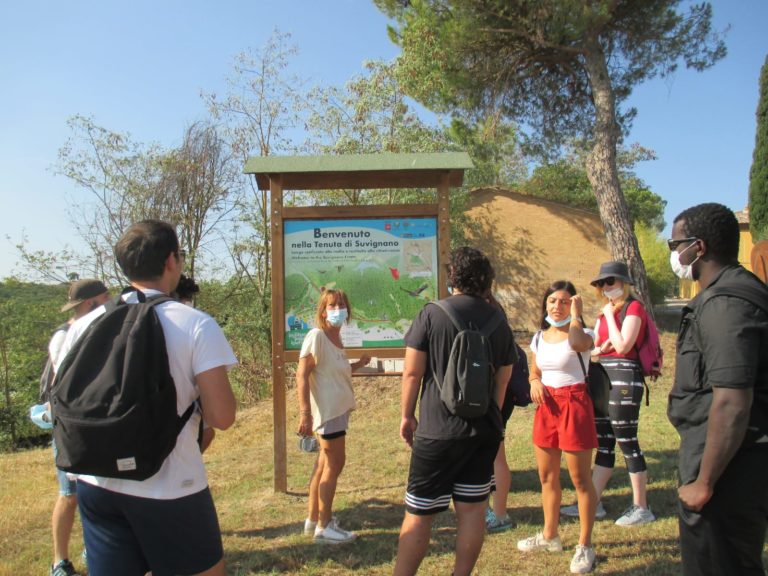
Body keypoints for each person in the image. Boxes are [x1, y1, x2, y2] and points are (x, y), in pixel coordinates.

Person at [54, 220, 237, 576]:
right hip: (171, 487)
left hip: (96, 481)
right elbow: (222, 417)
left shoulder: (82, 325)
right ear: (172, 261)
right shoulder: (196, 324)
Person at [393, 247, 516, 576]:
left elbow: (412, 373)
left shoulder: (431, 314)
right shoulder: (499, 322)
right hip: (482, 432)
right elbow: (502, 382)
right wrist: (492, 419)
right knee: (473, 512)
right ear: (487, 280)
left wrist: (407, 415)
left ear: (452, 278)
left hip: (436, 430)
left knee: (419, 514)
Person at [667, 203, 768, 575]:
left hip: (728, 470)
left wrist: (703, 483)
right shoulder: (732, 292)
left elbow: (732, 402)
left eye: (676, 244)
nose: (675, 254)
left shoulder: (726, 304)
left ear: (699, 247)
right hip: (726, 458)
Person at [561, 261, 655, 527]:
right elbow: (601, 346)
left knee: (627, 440)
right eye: (601, 283)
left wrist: (610, 317)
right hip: (602, 378)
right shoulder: (605, 313)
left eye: (610, 282)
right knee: (603, 442)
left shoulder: (632, 308)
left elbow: (625, 345)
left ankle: (641, 506)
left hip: (625, 377)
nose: (605, 287)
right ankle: (593, 501)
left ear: (624, 283)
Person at [517, 281, 597, 575]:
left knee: (580, 480)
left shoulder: (584, 333)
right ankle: (550, 536)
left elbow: (576, 345)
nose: (557, 306)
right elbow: (535, 371)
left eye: (564, 301)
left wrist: (577, 315)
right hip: (547, 408)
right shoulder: (539, 337)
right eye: (552, 301)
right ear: (545, 304)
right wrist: (534, 381)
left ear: (573, 304)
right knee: (547, 476)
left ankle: (585, 545)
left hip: (574, 405)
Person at [296, 288, 370, 544]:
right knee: (334, 465)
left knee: (323, 466)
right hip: (327, 414)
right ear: (323, 310)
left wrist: (358, 365)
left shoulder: (336, 339)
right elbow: (302, 374)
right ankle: (324, 527)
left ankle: (313, 519)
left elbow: (334, 371)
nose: (338, 309)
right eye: (332, 305)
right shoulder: (317, 335)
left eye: (341, 304)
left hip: (337, 411)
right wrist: (304, 412)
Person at [48, 279, 110, 576]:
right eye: (105, 298)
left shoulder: (94, 330)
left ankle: (94, 548)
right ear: (91, 303)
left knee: (91, 493)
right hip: (71, 428)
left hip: (91, 426)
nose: (109, 302)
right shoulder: (66, 336)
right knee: (69, 494)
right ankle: (59, 561)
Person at [483, 292, 528, 534]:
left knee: (496, 455)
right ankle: (489, 510)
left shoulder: (490, 325)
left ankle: (500, 514)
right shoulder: (497, 321)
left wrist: (494, 412)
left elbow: (501, 376)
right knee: (489, 455)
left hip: (495, 400)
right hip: (495, 400)